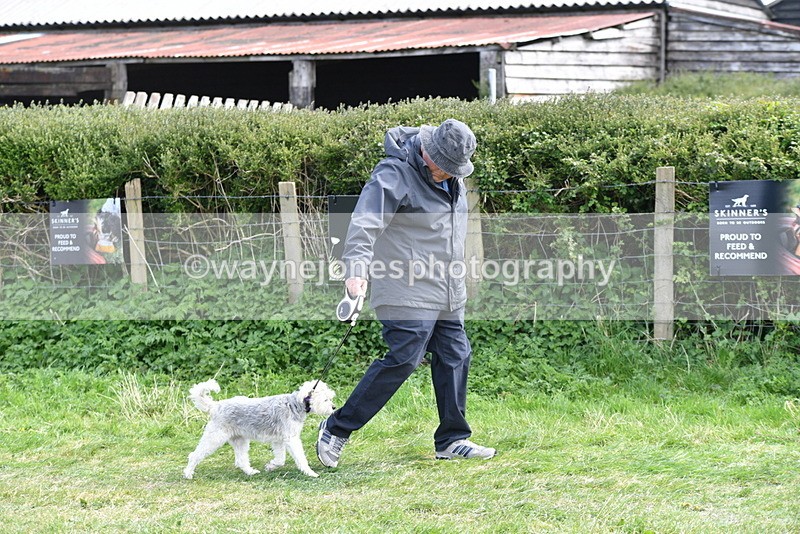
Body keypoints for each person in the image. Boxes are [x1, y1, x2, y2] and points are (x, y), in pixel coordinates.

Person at [316, 118, 496, 467]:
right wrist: (355, 270)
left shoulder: (451, 176)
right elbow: (365, 222)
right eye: (443, 167)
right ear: (427, 152)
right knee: (405, 357)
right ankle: (337, 428)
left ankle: (452, 440)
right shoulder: (394, 173)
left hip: (446, 288)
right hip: (403, 286)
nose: (449, 174)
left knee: (457, 355)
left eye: (454, 169)